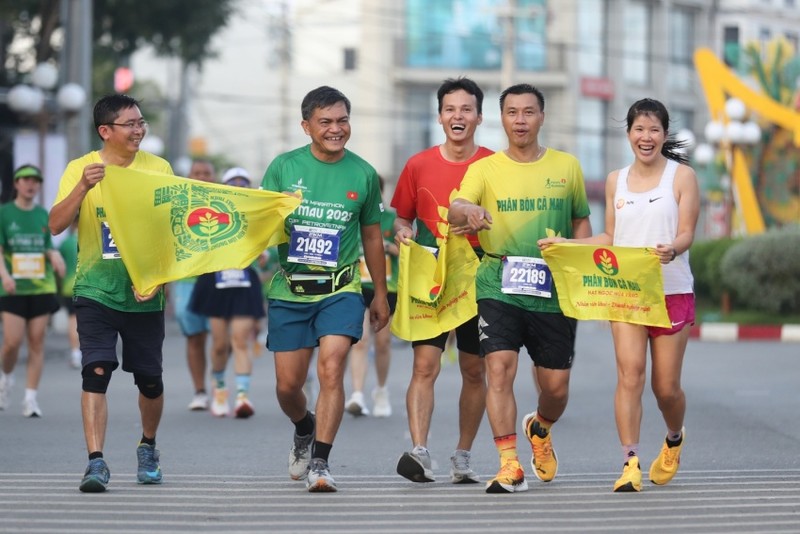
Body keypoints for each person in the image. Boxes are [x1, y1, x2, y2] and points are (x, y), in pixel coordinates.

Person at [538, 98, 699, 492]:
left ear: (664, 134)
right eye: (639, 130)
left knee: (665, 389)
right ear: (628, 134)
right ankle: (630, 461)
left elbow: (687, 232)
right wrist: (567, 245)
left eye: (654, 130)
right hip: (627, 292)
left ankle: (674, 436)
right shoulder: (616, 180)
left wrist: (673, 249)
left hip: (671, 290)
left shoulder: (681, 177)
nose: (646, 137)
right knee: (630, 375)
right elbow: (610, 237)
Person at [448, 83, 592, 493]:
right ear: (502, 119)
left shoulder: (567, 167)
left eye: (529, 112)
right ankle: (509, 463)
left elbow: (581, 221)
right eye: (512, 113)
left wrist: (575, 247)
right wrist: (469, 210)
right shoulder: (484, 169)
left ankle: (540, 428)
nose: (520, 120)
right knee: (498, 369)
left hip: (553, 287)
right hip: (498, 281)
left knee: (556, 387)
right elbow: (457, 206)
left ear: (542, 117)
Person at [261, 86, 389, 493]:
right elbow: (258, 221)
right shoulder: (283, 167)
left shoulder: (364, 174)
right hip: (290, 291)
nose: (336, 129)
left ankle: (321, 461)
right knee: (287, 386)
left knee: (332, 367)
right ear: (307, 126)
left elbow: (372, 237)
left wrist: (381, 293)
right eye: (326, 122)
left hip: (342, 288)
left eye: (342, 120)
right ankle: (304, 426)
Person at [48, 94, 172, 493]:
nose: (138, 130)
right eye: (130, 124)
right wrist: (82, 187)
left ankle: (147, 447)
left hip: (143, 292)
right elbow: (55, 225)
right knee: (96, 371)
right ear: (106, 131)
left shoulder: (159, 168)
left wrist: (157, 279)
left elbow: (173, 232)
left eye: (141, 123)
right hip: (95, 288)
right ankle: (96, 462)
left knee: (150, 380)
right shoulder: (80, 168)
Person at [392, 77, 491, 484]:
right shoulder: (417, 165)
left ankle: (463, 455)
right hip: (430, 279)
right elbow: (402, 216)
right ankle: (420, 450)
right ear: (439, 116)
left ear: (479, 117)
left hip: (478, 281)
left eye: (466, 109)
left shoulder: (493, 165)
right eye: (450, 109)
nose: (458, 116)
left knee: (473, 370)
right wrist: (402, 233)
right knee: (424, 365)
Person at [189, 167, 265, 419]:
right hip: (215, 279)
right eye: (234, 184)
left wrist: (265, 254)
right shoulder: (210, 212)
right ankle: (219, 388)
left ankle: (242, 396)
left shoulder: (257, 215)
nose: (239, 188)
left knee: (240, 339)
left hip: (244, 280)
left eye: (243, 184)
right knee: (220, 344)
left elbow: (271, 242)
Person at [0, 164, 65, 416]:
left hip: (41, 286)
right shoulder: (5, 214)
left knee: (37, 341)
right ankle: (6, 378)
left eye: (35, 181)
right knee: (11, 343)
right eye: (26, 180)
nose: (31, 185)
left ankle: (30, 399)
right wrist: (4, 275)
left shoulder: (42, 214)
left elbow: (46, 245)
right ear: (16, 184)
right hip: (13, 288)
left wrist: (55, 255)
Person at [345, 176, 398, 418]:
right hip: (356, 285)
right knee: (361, 340)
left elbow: (408, 247)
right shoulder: (350, 217)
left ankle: (382, 390)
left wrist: (390, 248)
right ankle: (357, 393)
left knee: (383, 342)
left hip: (386, 287)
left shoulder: (391, 219)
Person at [173, 158, 216, 411]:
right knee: (195, 337)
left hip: (216, 280)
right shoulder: (178, 205)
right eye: (196, 173)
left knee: (222, 339)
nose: (201, 177)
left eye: (206, 173)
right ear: (189, 176)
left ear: (213, 176)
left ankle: (218, 381)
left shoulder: (225, 204)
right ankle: (200, 390)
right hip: (187, 280)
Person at [58, 219, 81, 369]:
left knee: (73, 320)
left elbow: (60, 267)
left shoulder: (66, 243)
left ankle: (75, 353)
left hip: (68, 287)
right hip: (88, 285)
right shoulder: (95, 239)